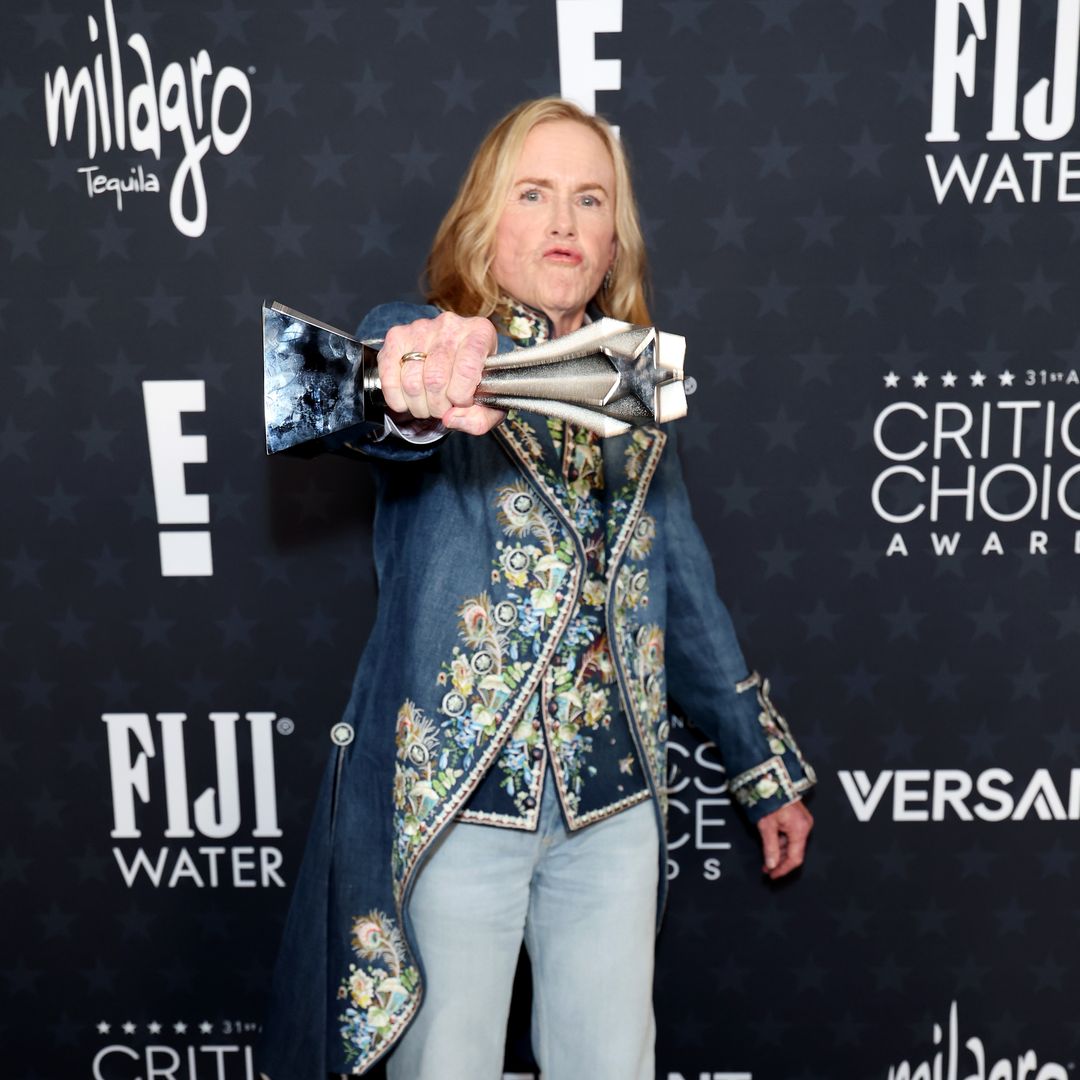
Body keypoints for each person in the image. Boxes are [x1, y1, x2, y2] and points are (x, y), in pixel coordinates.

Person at [258, 97, 816, 1080]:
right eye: (534, 193)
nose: (564, 221)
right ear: (485, 224)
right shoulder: (429, 342)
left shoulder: (640, 393)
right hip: (460, 800)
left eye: (590, 199)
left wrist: (759, 766)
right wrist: (409, 388)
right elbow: (372, 391)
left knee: (614, 1063)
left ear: (613, 241)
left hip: (615, 802)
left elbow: (685, 598)